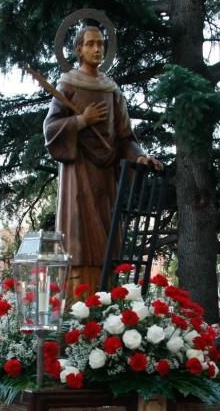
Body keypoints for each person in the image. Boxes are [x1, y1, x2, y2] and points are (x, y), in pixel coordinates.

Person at [43, 24, 161, 291]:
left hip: (105, 179)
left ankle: (105, 296)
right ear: (78, 49)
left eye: (100, 44)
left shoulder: (112, 90)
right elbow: (50, 130)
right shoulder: (68, 85)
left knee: (108, 242)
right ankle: (79, 298)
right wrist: (81, 120)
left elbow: (125, 137)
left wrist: (140, 158)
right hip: (78, 175)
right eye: (90, 44)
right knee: (79, 238)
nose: (97, 49)